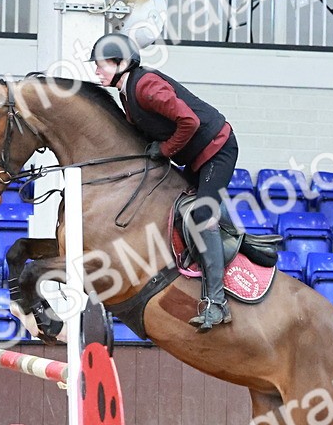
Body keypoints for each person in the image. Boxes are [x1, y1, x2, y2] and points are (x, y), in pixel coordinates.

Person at [89, 32, 237, 332]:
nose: (95, 71)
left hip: (217, 149)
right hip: (196, 155)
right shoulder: (126, 93)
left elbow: (190, 122)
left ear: (120, 63)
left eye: (100, 65)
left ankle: (217, 304)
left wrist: (166, 149)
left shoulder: (146, 86)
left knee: (200, 216)